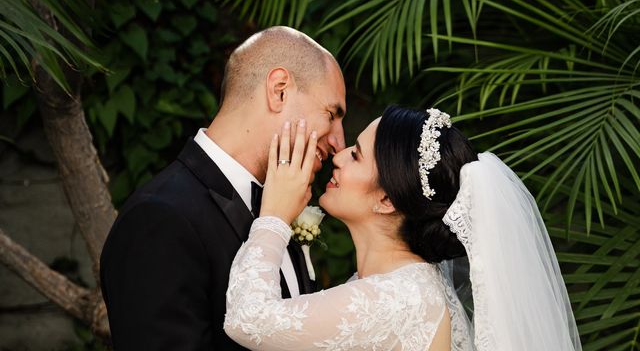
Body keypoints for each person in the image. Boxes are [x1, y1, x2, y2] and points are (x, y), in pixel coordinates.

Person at [224, 105, 583, 351]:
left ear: (386, 200)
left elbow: (247, 320)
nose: (338, 155)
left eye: (356, 154)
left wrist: (272, 216)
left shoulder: (402, 298)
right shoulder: (403, 286)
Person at [100, 26, 347, 350]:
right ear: (279, 90)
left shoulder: (279, 210)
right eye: (331, 114)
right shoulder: (159, 219)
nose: (338, 143)